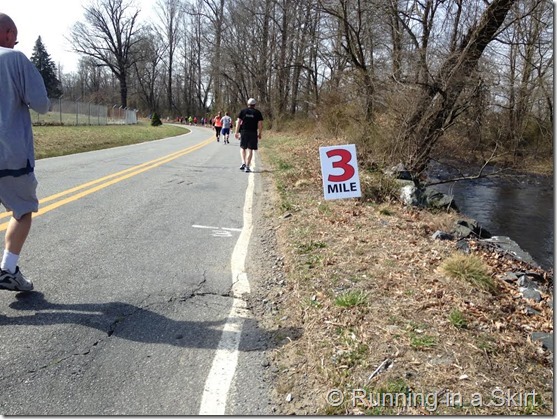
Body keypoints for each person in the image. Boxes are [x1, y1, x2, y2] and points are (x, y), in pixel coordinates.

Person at [0, 13, 50, 291]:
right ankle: (7, 269)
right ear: (7, 33)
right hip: (9, 154)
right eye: (14, 37)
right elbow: (41, 104)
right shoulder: (15, 59)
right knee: (22, 210)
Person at [235, 98, 263, 173]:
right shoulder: (257, 112)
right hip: (253, 132)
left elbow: (238, 122)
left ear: (248, 104)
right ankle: (247, 166)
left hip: (244, 131)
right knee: (250, 149)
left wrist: (236, 132)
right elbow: (260, 124)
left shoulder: (243, 111)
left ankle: (243, 163)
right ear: (255, 105)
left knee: (242, 148)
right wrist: (259, 133)